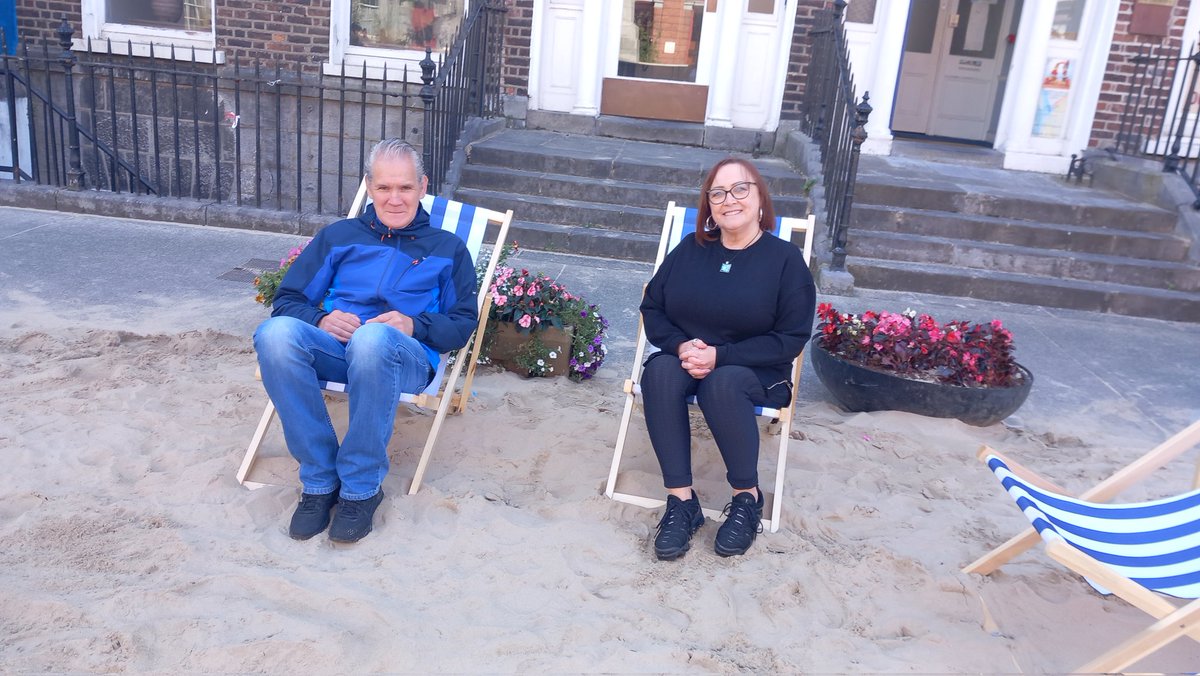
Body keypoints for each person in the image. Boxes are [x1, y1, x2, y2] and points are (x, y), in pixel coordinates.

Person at [253, 139, 479, 543]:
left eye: (405, 187)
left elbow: (462, 325)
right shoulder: (338, 237)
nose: (395, 199)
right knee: (275, 336)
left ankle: (360, 489)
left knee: (374, 338)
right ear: (369, 187)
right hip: (338, 350)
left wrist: (415, 325)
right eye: (384, 188)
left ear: (423, 186)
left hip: (404, 360)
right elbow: (287, 301)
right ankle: (320, 481)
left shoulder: (448, 250)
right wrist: (320, 319)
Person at [639, 158, 817, 560]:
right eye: (717, 193)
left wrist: (721, 356)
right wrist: (683, 347)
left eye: (740, 189)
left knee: (722, 383)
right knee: (660, 372)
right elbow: (653, 308)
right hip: (688, 359)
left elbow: (790, 338)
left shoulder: (785, 261)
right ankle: (681, 502)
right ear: (709, 205)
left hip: (755, 369)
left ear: (759, 198)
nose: (728, 200)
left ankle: (746, 498)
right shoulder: (691, 250)